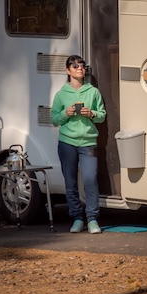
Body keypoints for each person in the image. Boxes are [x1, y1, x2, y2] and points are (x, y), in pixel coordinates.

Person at [51, 55, 107, 233]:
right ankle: (77, 218)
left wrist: (91, 114)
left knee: (90, 180)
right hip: (67, 143)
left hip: (88, 142)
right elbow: (54, 119)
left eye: (82, 66)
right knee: (71, 182)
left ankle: (92, 220)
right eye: (75, 66)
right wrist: (65, 113)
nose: (79, 68)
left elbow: (102, 115)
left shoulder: (93, 92)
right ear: (68, 71)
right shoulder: (61, 95)